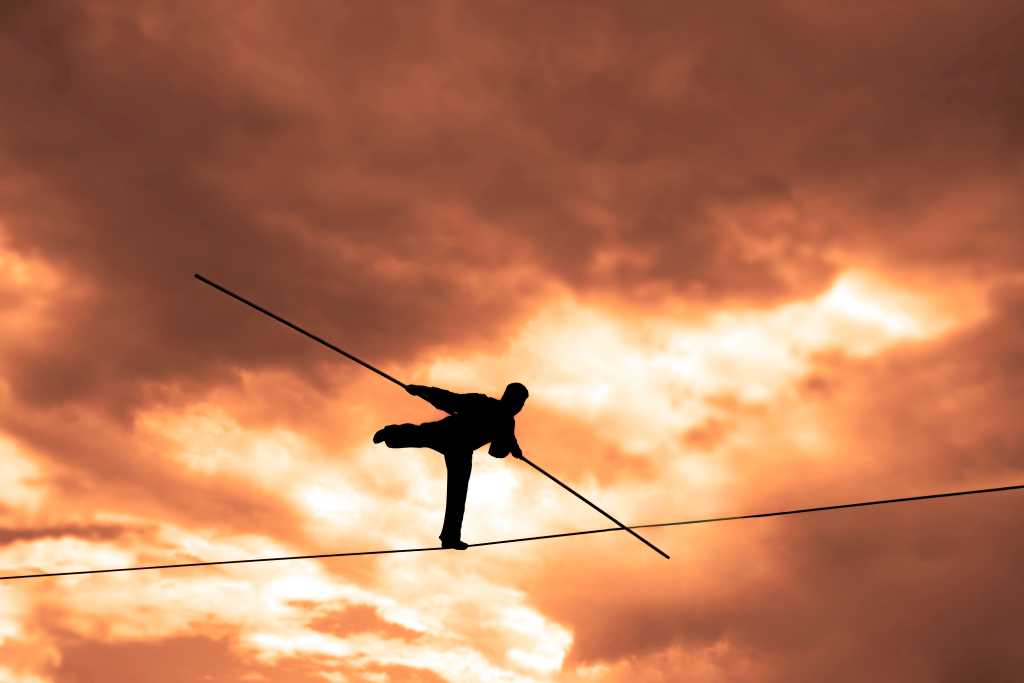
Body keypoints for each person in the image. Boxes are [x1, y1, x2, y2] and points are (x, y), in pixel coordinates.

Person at [373, 382, 529, 550]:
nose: (519, 408)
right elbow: (450, 399)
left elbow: (497, 451)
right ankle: (390, 433)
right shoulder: (485, 404)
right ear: (509, 398)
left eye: (521, 405)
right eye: (519, 403)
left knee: (457, 493)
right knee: (420, 435)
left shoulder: (505, 422)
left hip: (461, 449)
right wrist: (421, 391)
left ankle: (450, 537)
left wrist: (513, 448)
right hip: (450, 435)